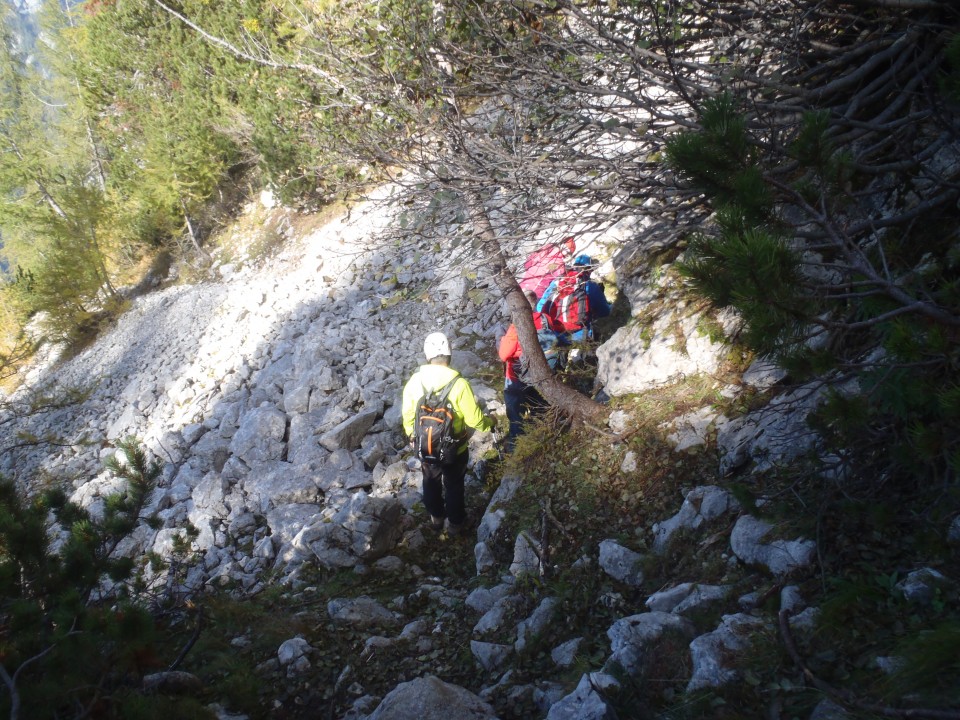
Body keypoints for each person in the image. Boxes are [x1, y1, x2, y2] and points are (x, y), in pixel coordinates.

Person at [402, 332, 493, 533]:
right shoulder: (459, 384)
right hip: (455, 447)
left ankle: (436, 518)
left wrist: (411, 435)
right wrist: (490, 423)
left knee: (430, 481)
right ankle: (456, 523)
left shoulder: (415, 382)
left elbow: (408, 413)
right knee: (453, 484)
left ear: (428, 356)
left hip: (425, 444)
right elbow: (474, 419)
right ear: (449, 355)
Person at [498, 291, 566, 449]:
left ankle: (516, 448)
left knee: (515, 415)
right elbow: (560, 330)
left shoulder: (516, 327)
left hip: (517, 377)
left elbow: (504, 354)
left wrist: (503, 339)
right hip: (543, 373)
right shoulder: (544, 318)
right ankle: (546, 440)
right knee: (541, 408)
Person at [537, 254, 611, 342]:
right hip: (579, 336)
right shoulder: (589, 285)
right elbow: (605, 312)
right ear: (589, 269)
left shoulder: (556, 282)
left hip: (553, 335)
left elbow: (539, 307)